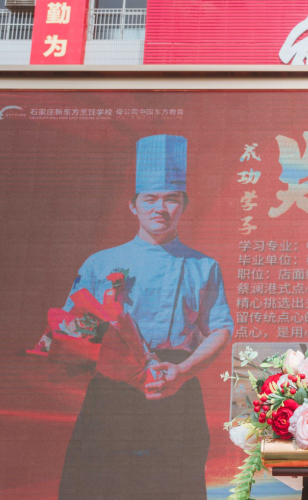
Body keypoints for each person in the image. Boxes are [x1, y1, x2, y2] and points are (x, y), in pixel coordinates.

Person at [58, 134, 234, 500]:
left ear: (184, 205)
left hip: (175, 388)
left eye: (171, 199)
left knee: (172, 487)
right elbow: (71, 329)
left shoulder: (204, 266)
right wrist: (109, 359)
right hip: (112, 394)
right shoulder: (101, 263)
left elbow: (220, 329)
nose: (160, 208)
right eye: (150, 199)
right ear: (133, 205)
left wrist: (183, 371)